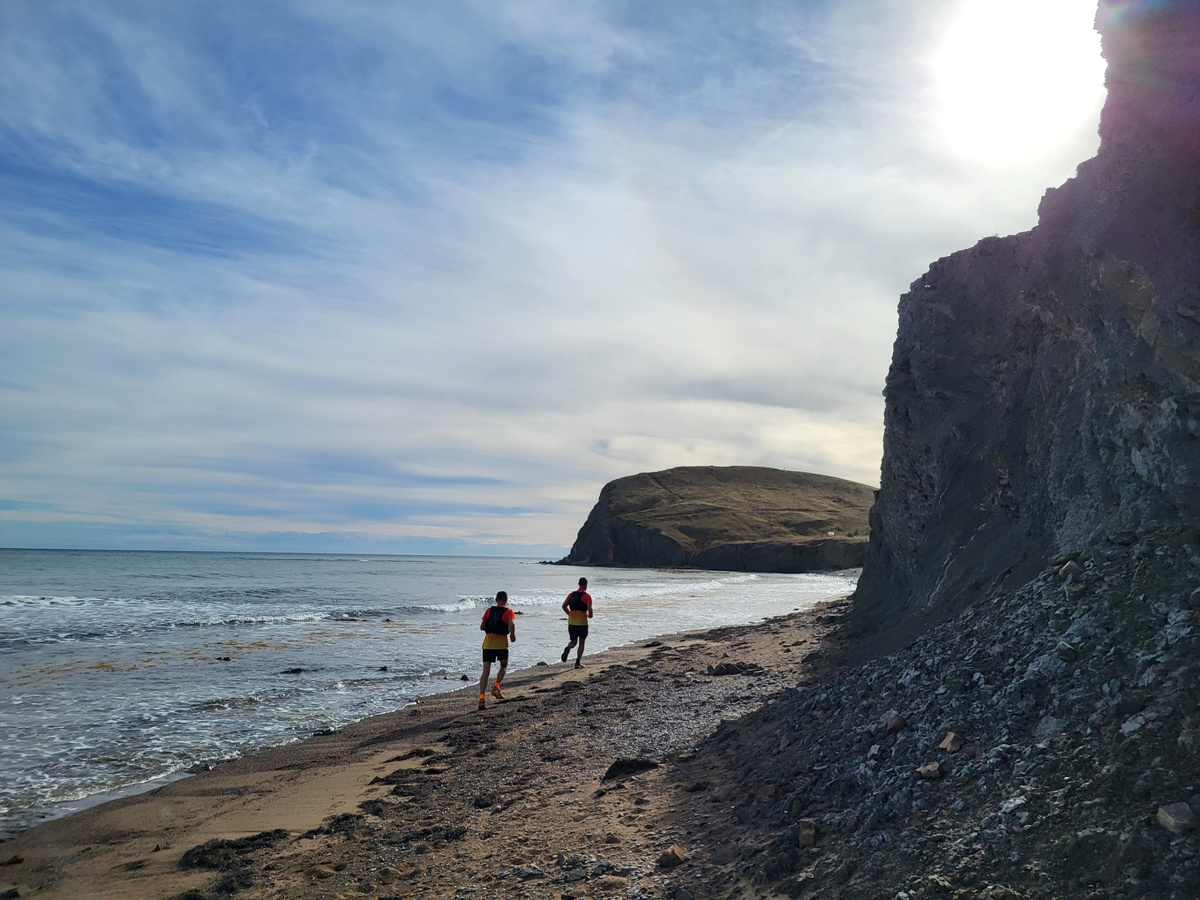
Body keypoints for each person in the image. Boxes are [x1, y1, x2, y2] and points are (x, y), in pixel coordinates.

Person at [478, 591, 515, 710]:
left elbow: (482, 626)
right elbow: (511, 624)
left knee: (486, 671)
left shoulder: (489, 611)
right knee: (503, 666)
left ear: (496, 600)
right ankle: (496, 686)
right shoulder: (508, 611)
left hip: (488, 644)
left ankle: (481, 698)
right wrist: (512, 635)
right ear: (506, 600)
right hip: (501, 644)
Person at [560, 577, 593, 668]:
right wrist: (590, 616)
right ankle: (577, 662)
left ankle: (568, 648)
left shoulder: (571, 595)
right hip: (582, 622)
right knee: (582, 642)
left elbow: (563, 606)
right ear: (586, 585)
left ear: (578, 584)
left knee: (573, 641)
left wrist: (569, 614)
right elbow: (590, 610)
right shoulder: (587, 596)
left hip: (572, 621)